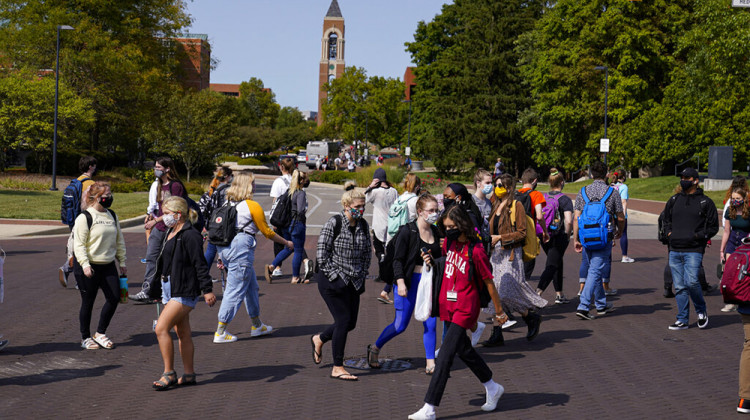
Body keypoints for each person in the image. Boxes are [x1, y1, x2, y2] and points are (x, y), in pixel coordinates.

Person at [408, 205, 507, 420]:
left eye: (452, 226)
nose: (448, 231)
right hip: (448, 305)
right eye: (446, 227)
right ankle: (492, 386)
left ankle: (429, 407)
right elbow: (447, 265)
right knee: (464, 350)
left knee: (444, 357)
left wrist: (499, 312)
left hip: (465, 308)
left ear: (462, 225)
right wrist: (432, 262)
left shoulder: (477, 251)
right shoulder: (451, 243)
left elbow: (489, 282)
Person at [214, 172, 293, 343]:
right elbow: (267, 232)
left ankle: (257, 324)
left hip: (225, 247)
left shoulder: (226, 203)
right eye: (253, 183)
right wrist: (286, 242)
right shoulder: (252, 206)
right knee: (235, 289)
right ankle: (221, 330)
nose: (255, 186)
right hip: (241, 247)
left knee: (251, 287)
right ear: (248, 186)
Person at [368, 195, 441, 374]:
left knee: (430, 322)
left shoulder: (437, 232)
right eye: (431, 211)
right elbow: (397, 260)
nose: (434, 214)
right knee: (400, 325)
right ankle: (375, 348)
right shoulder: (407, 231)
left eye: (436, 210)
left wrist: (433, 261)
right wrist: (400, 283)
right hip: (409, 282)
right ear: (420, 212)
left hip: (427, 282)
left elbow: (439, 258)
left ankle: (430, 362)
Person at [151, 196, 217, 390]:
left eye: (167, 214)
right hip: (169, 287)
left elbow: (200, 263)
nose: (164, 217)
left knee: (161, 329)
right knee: (183, 332)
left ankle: (169, 373)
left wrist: (207, 290)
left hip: (184, 290)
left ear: (178, 215)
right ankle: (189, 374)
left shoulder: (190, 235)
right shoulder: (172, 231)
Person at [310, 188, 372, 381]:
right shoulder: (334, 223)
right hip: (332, 282)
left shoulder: (363, 225)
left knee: (350, 323)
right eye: (357, 207)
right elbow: (322, 254)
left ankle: (319, 339)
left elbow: (367, 253)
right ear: (346, 206)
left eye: (363, 206)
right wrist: (335, 276)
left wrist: (361, 273)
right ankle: (338, 366)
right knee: (343, 320)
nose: (361, 210)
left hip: (354, 281)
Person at [479, 174, 546, 347]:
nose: (497, 187)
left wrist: (501, 237)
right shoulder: (495, 204)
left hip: (510, 254)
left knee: (505, 291)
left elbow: (522, 233)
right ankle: (498, 333)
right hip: (496, 255)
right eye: (496, 184)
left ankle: (529, 315)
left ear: (509, 188)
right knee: (495, 293)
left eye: (500, 184)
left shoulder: (516, 206)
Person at [661, 167, 719, 330]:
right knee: (679, 286)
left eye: (688, 178)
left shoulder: (705, 202)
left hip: (694, 250)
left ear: (695, 181)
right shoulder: (674, 200)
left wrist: (697, 236)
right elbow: (666, 220)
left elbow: (713, 227)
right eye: (682, 177)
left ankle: (701, 311)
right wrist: (669, 233)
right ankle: (682, 319)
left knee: (692, 282)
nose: (684, 180)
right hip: (675, 249)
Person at [72, 182, 126, 350]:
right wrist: (85, 265)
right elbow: (78, 245)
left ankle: (100, 333)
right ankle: (85, 337)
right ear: (95, 197)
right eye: (106, 195)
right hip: (88, 266)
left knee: (114, 297)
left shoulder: (112, 215)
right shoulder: (85, 217)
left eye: (110, 195)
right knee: (88, 301)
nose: (109, 198)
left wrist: (122, 262)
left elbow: (119, 241)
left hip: (108, 264)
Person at [573, 161, 625, 320]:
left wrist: (576, 239)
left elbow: (577, 218)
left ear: (591, 175)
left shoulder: (583, 192)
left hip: (586, 236)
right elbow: (620, 217)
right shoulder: (612, 192)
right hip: (604, 237)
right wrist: (619, 232)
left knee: (593, 269)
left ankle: (601, 305)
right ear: (606, 174)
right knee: (595, 271)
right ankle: (583, 306)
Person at [131, 157, 187, 303]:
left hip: (170, 228)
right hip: (159, 227)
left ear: (167, 169)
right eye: (155, 166)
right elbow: (159, 206)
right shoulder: (159, 185)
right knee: (152, 258)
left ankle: (164, 292)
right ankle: (148, 291)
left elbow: (176, 210)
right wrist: (150, 215)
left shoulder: (175, 186)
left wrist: (155, 221)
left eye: (158, 167)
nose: (156, 169)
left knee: (166, 262)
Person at [266, 170, 314, 284]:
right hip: (297, 224)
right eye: (305, 179)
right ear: (301, 181)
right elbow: (301, 210)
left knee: (289, 248)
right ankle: (295, 277)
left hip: (286, 225)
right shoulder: (300, 193)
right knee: (298, 250)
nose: (307, 181)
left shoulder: (289, 191)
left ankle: (272, 267)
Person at [536, 168, 574, 304]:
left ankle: (559, 294)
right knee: (552, 264)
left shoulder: (543, 197)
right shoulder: (565, 200)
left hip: (544, 234)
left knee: (557, 260)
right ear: (562, 182)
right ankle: (537, 293)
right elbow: (569, 220)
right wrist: (568, 234)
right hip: (558, 235)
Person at [59, 156, 97, 288]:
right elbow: (89, 204)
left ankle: (71, 272)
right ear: (90, 166)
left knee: (78, 247)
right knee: (84, 248)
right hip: (84, 219)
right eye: (94, 165)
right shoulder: (90, 184)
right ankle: (72, 273)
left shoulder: (76, 181)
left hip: (73, 219)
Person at [365, 168, 398, 300]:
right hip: (391, 223)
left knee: (378, 248)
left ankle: (382, 272)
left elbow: (362, 198)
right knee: (389, 248)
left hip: (378, 224)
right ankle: (386, 271)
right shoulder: (394, 191)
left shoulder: (375, 192)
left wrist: (370, 186)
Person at [516, 168, 550, 281]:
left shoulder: (515, 194)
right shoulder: (536, 194)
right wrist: (545, 232)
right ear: (535, 181)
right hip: (529, 234)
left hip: (515, 233)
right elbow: (539, 216)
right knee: (528, 263)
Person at [720, 188, 750, 313]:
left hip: (745, 244)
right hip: (733, 242)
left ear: (744, 199)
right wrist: (722, 249)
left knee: (742, 272)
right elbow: (726, 231)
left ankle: (743, 296)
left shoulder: (748, 212)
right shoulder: (729, 210)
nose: (735, 201)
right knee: (729, 271)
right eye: (733, 198)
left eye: (738, 198)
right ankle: (731, 301)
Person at [198, 166, 233, 272]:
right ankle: (229, 273)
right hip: (222, 224)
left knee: (211, 249)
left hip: (211, 224)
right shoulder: (226, 190)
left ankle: (203, 273)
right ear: (227, 176)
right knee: (226, 250)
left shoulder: (211, 190)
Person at [269, 158, 295, 279]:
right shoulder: (295, 180)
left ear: (282, 167)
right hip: (293, 216)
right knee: (295, 241)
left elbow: (275, 200)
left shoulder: (278, 181)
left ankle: (277, 267)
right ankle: (305, 262)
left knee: (278, 240)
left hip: (281, 216)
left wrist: (274, 217)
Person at [611, 171, 634, 263]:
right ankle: (624, 256)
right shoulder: (623, 187)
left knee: (610, 234)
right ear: (623, 177)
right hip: (620, 213)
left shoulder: (611, 186)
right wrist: (623, 215)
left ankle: (608, 256)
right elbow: (623, 201)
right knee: (623, 233)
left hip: (611, 214)